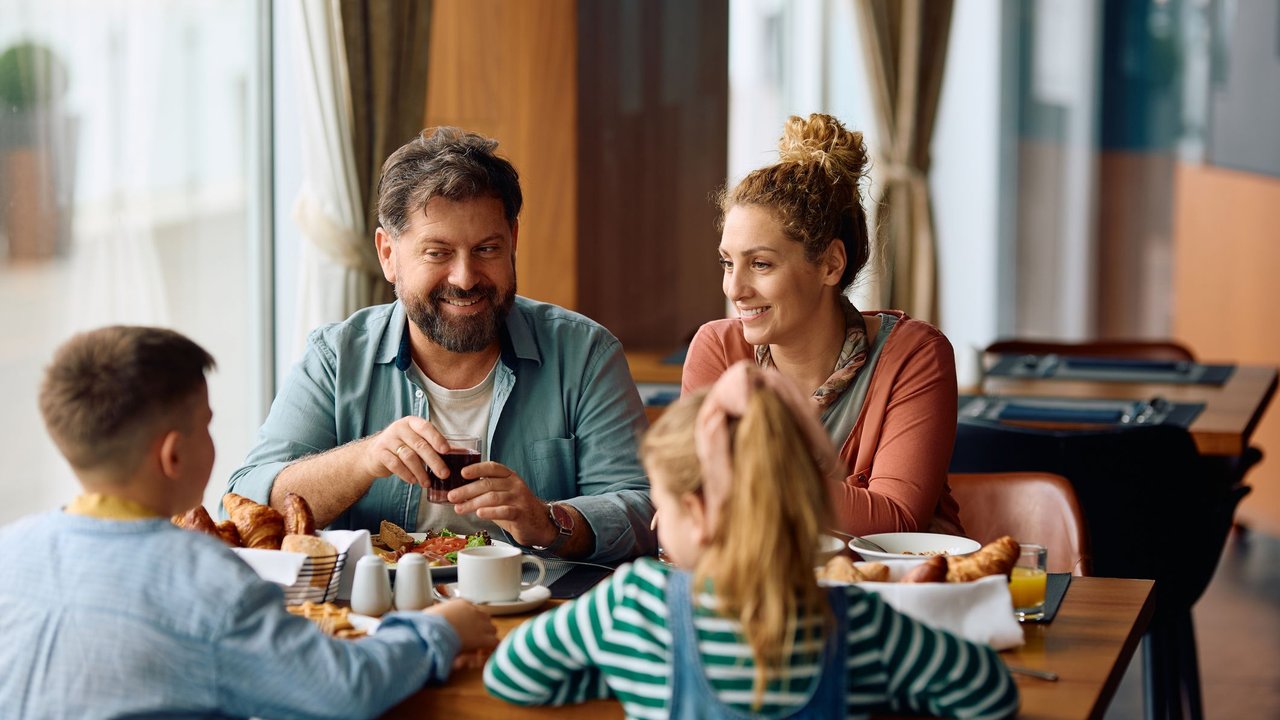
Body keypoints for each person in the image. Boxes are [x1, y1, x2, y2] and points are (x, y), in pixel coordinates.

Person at [0, 326, 498, 720]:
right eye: (207, 424)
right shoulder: (206, 579)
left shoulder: (11, 552)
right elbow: (343, 689)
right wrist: (439, 630)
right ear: (174, 455)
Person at [484, 362, 1018, 718]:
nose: (653, 524)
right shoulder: (861, 623)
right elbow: (992, 694)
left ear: (696, 513)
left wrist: (618, 675)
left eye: (662, 506)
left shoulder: (633, 608)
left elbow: (510, 675)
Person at [230, 127, 654, 562]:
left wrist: (549, 520)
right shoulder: (337, 358)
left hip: (542, 613)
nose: (465, 278)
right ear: (388, 254)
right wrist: (364, 460)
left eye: (487, 249)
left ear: (513, 242)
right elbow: (249, 501)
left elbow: (644, 512)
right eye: (437, 253)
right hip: (378, 616)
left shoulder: (584, 354)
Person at [681, 113, 963, 536]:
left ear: (830, 264)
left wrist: (740, 476)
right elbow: (694, 502)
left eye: (760, 264)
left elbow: (894, 522)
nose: (734, 288)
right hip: (760, 595)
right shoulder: (717, 349)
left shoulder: (915, 356)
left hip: (892, 593)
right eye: (727, 263)